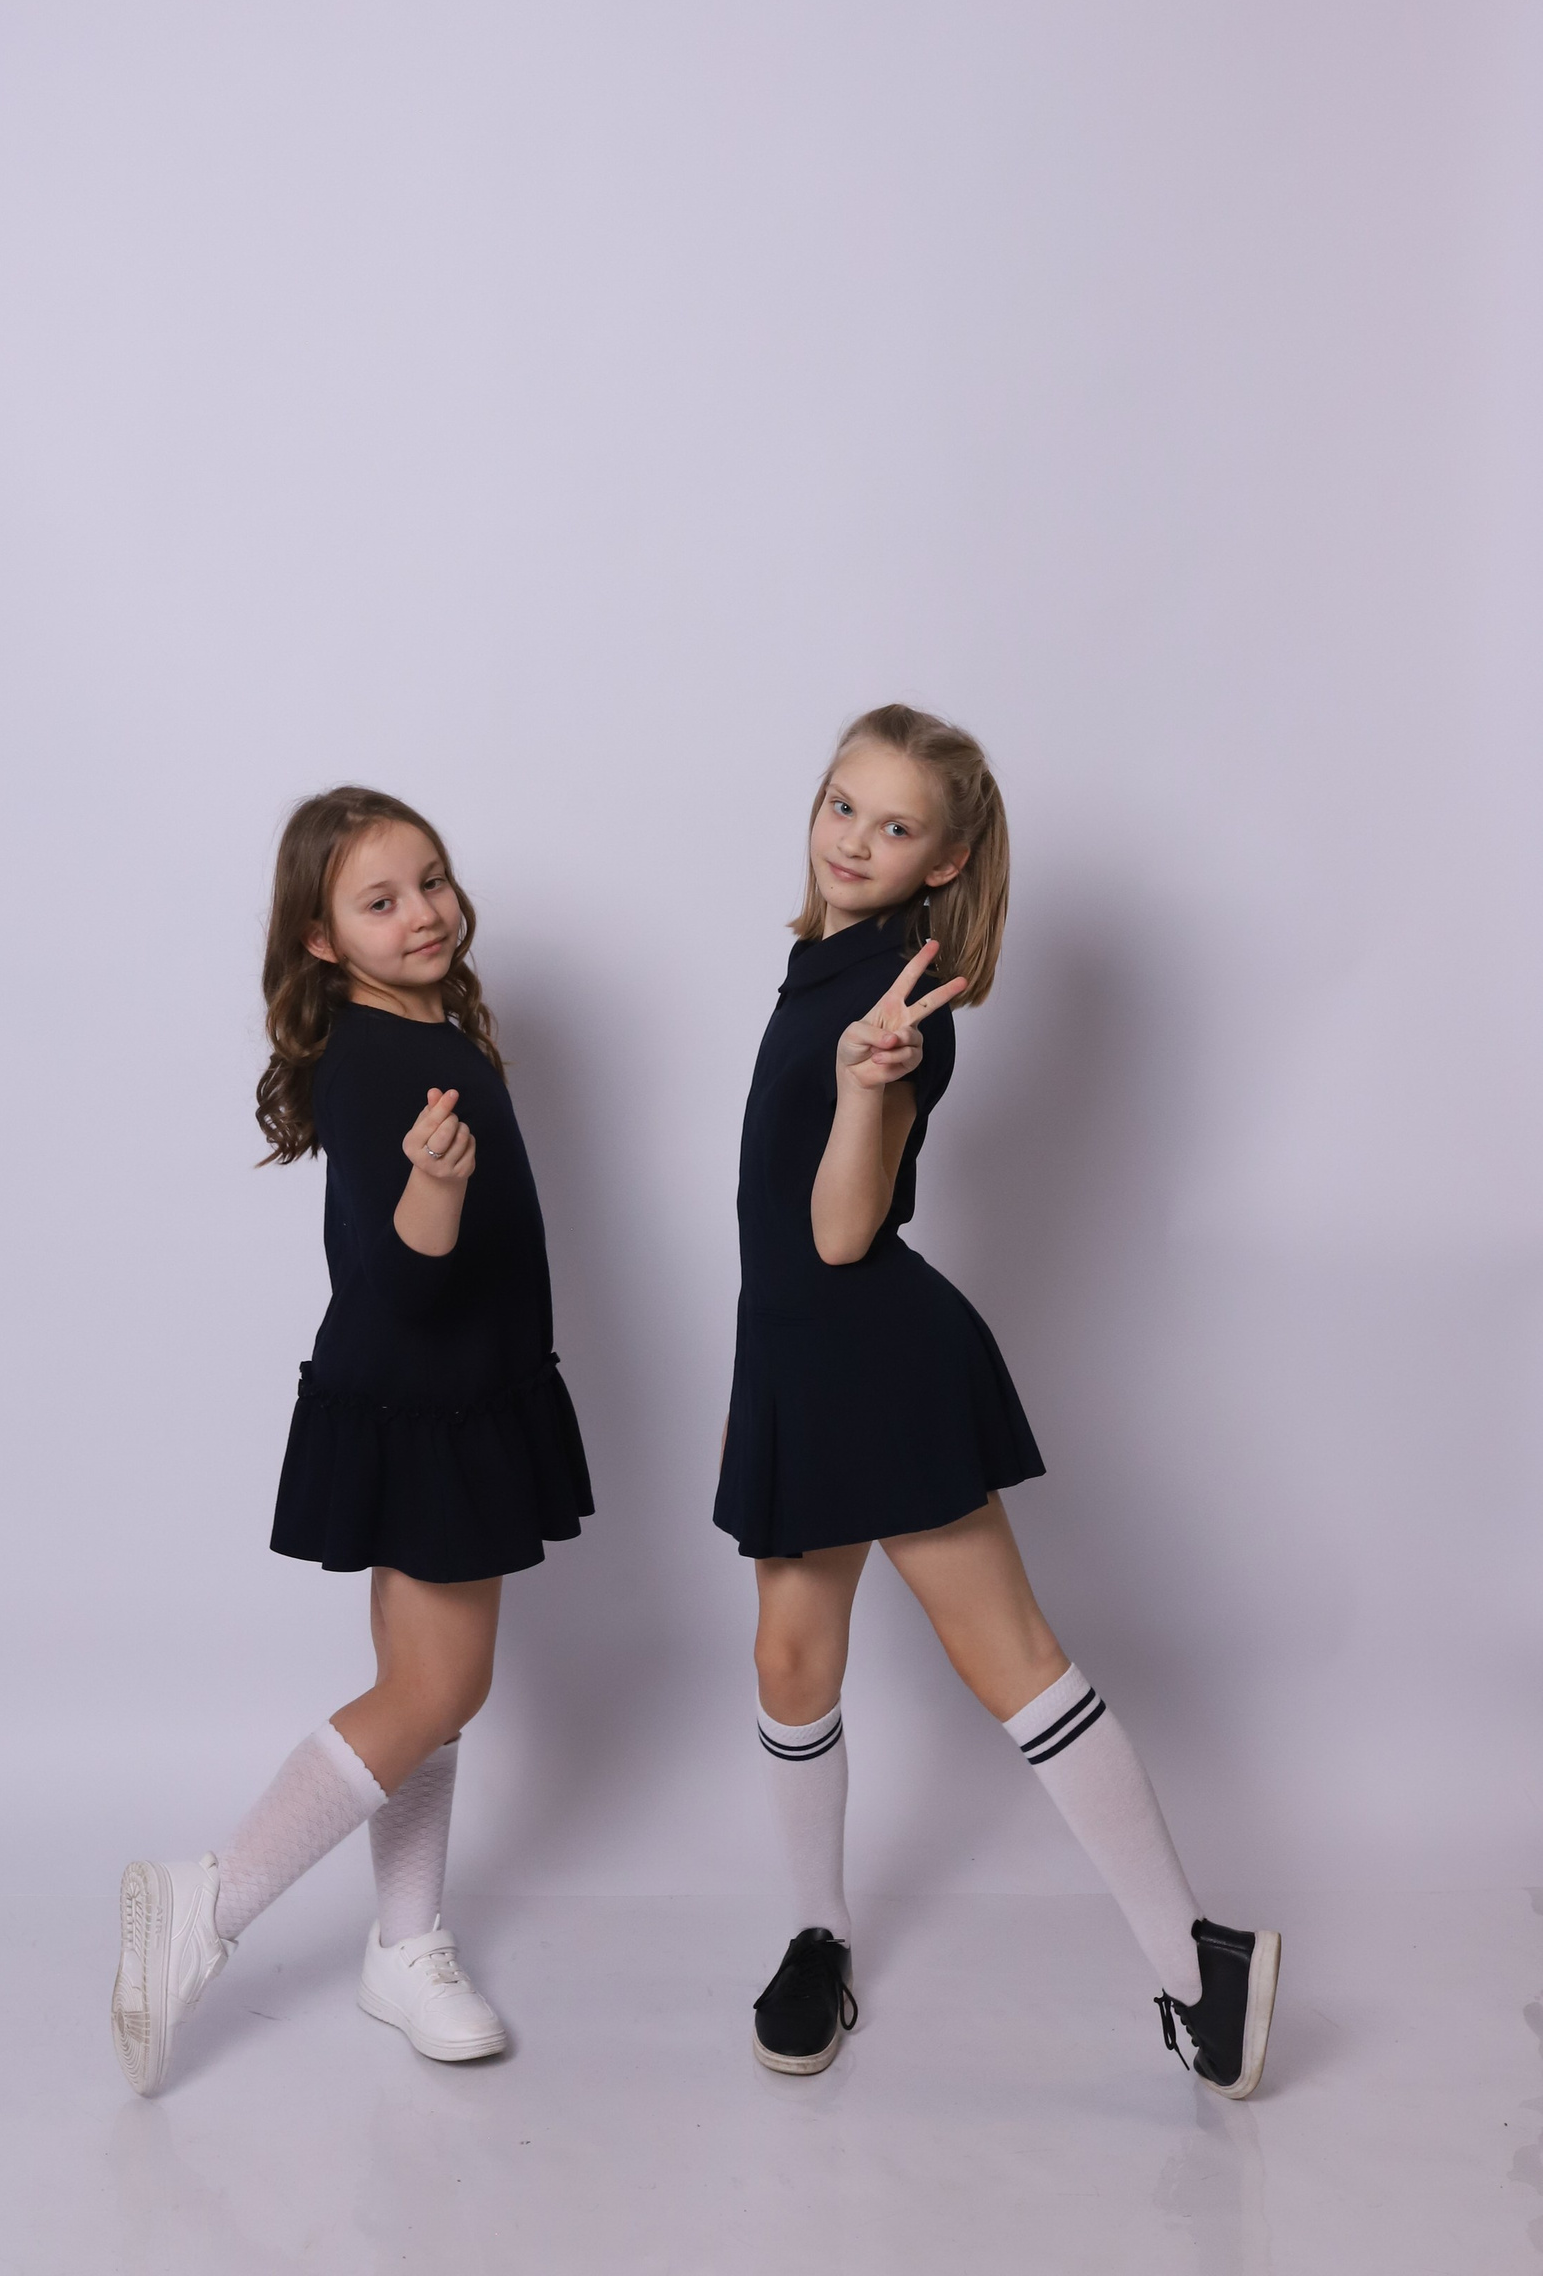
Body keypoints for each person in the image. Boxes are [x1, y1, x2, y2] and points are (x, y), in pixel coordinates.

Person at [714, 704, 1278, 2097]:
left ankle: (1195, 1962)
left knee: (1008, 1658)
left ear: (948, 861)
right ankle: (817, 1937)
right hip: (794, 1356)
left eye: (895, 826)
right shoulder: (829, 961)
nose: (856, 840)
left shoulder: (902, 1004)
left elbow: (841, 1231)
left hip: (872, 1360)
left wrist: (863, 1085)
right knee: (790, 1661)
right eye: (842, 805)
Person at [111, 787, 592, 2095]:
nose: (422, 912)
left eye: (430, 880)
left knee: (424, 1684)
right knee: (438, 1691)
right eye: (380, 902)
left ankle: (404, 1943)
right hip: (428, 1400)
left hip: (451, 1395)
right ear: (321, 940)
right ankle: (208, 1902)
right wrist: (434, 1186)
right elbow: (404, 1280)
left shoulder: (432, 1027)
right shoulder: (383, 1061)